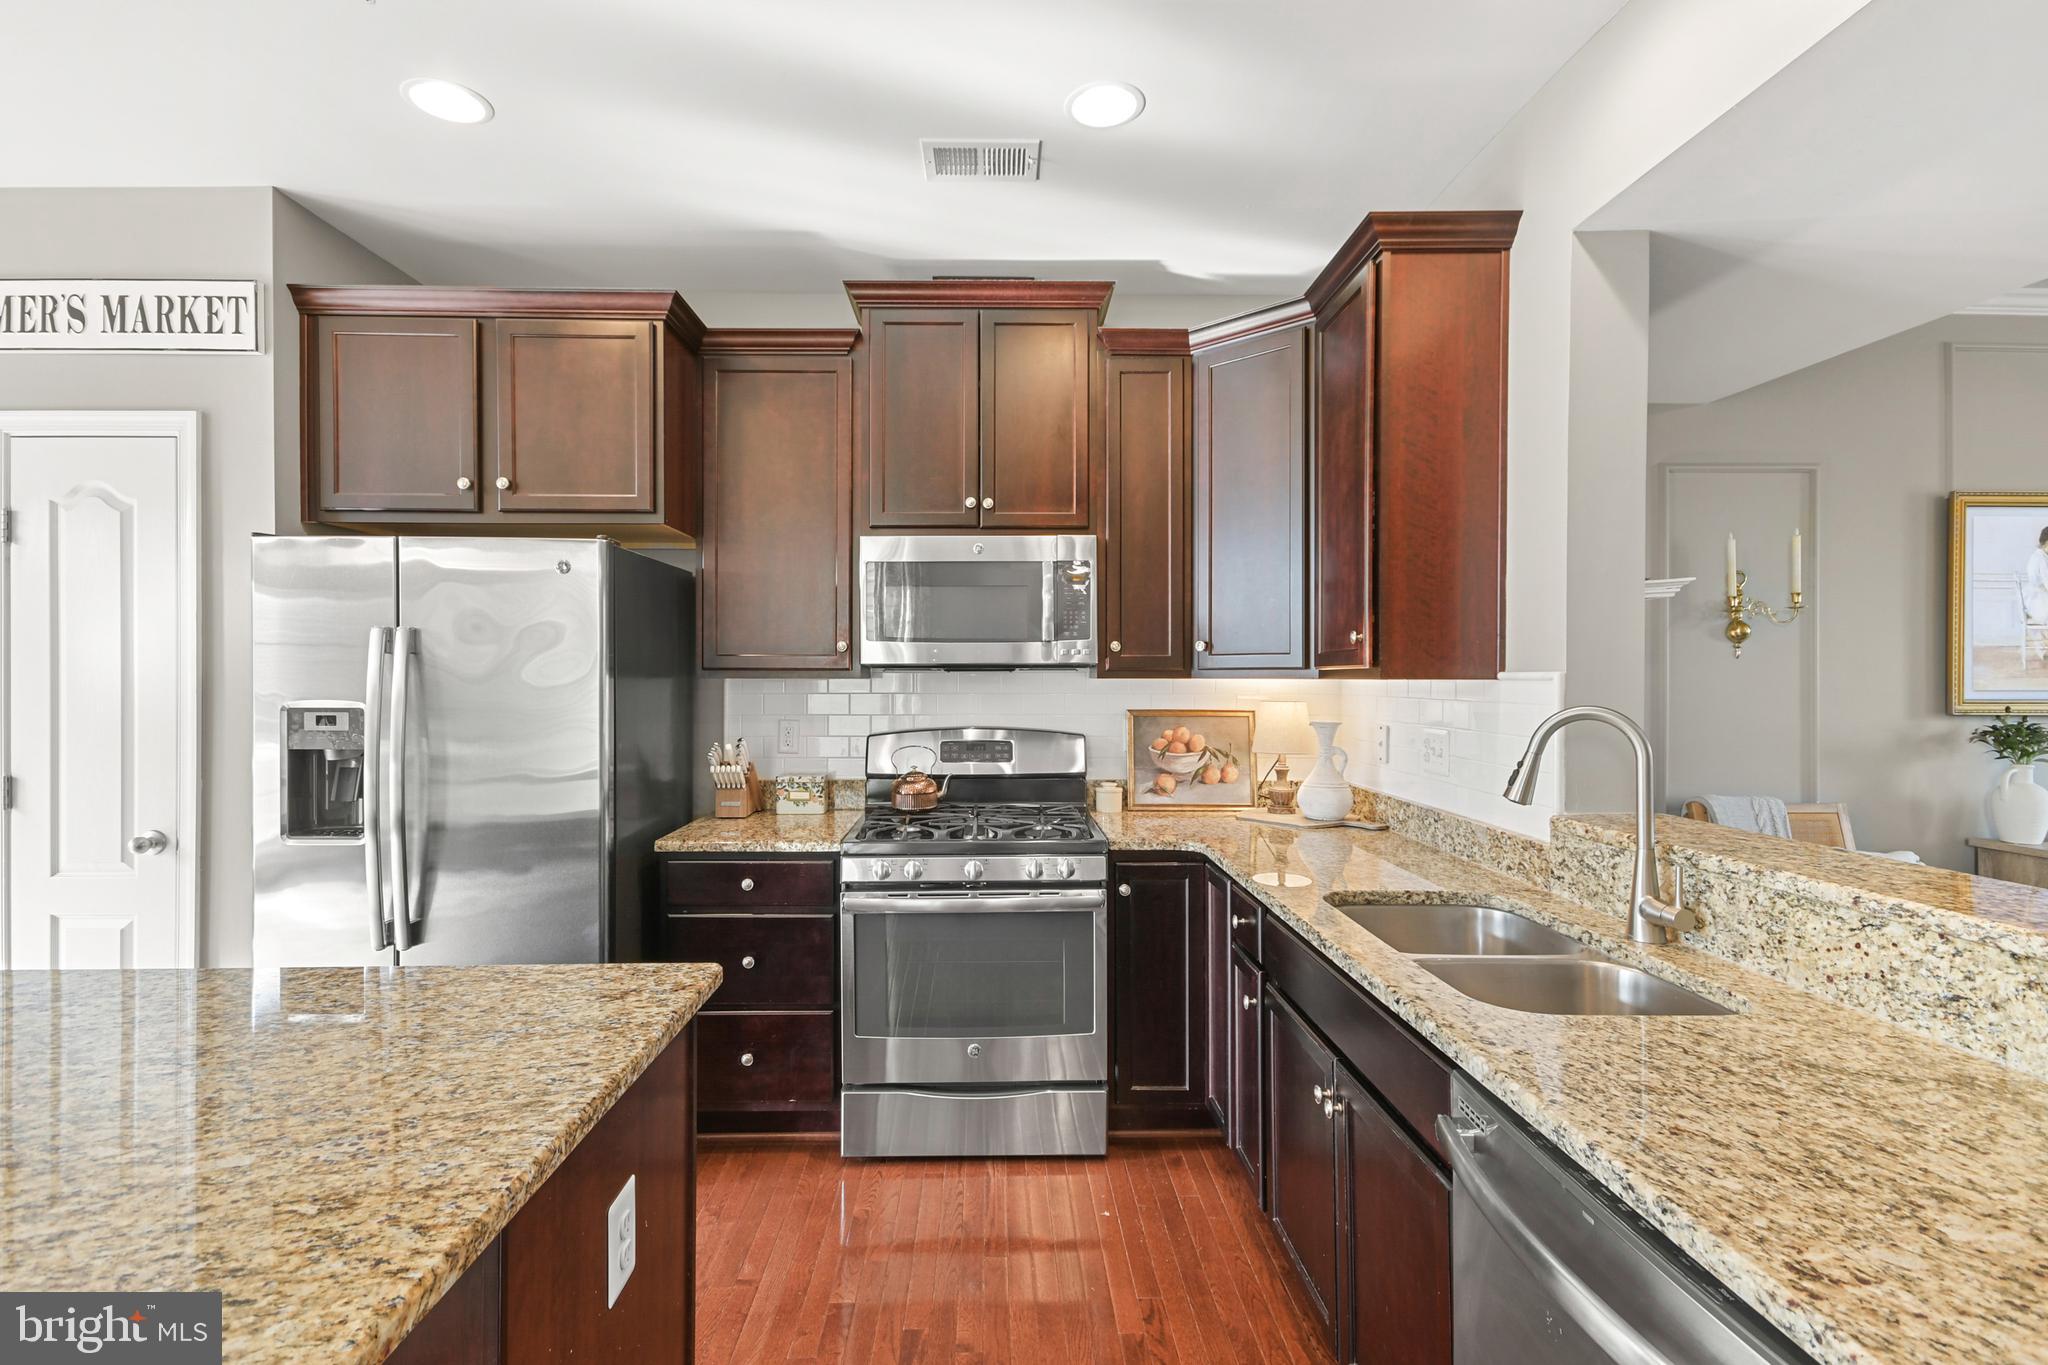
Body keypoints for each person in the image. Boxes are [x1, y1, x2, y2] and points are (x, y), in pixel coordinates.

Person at [2026, 527, 2048, 655]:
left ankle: (2042, 649)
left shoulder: (2038, 555)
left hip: (2033, 598)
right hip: (2038, 601)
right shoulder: (2042, 559)